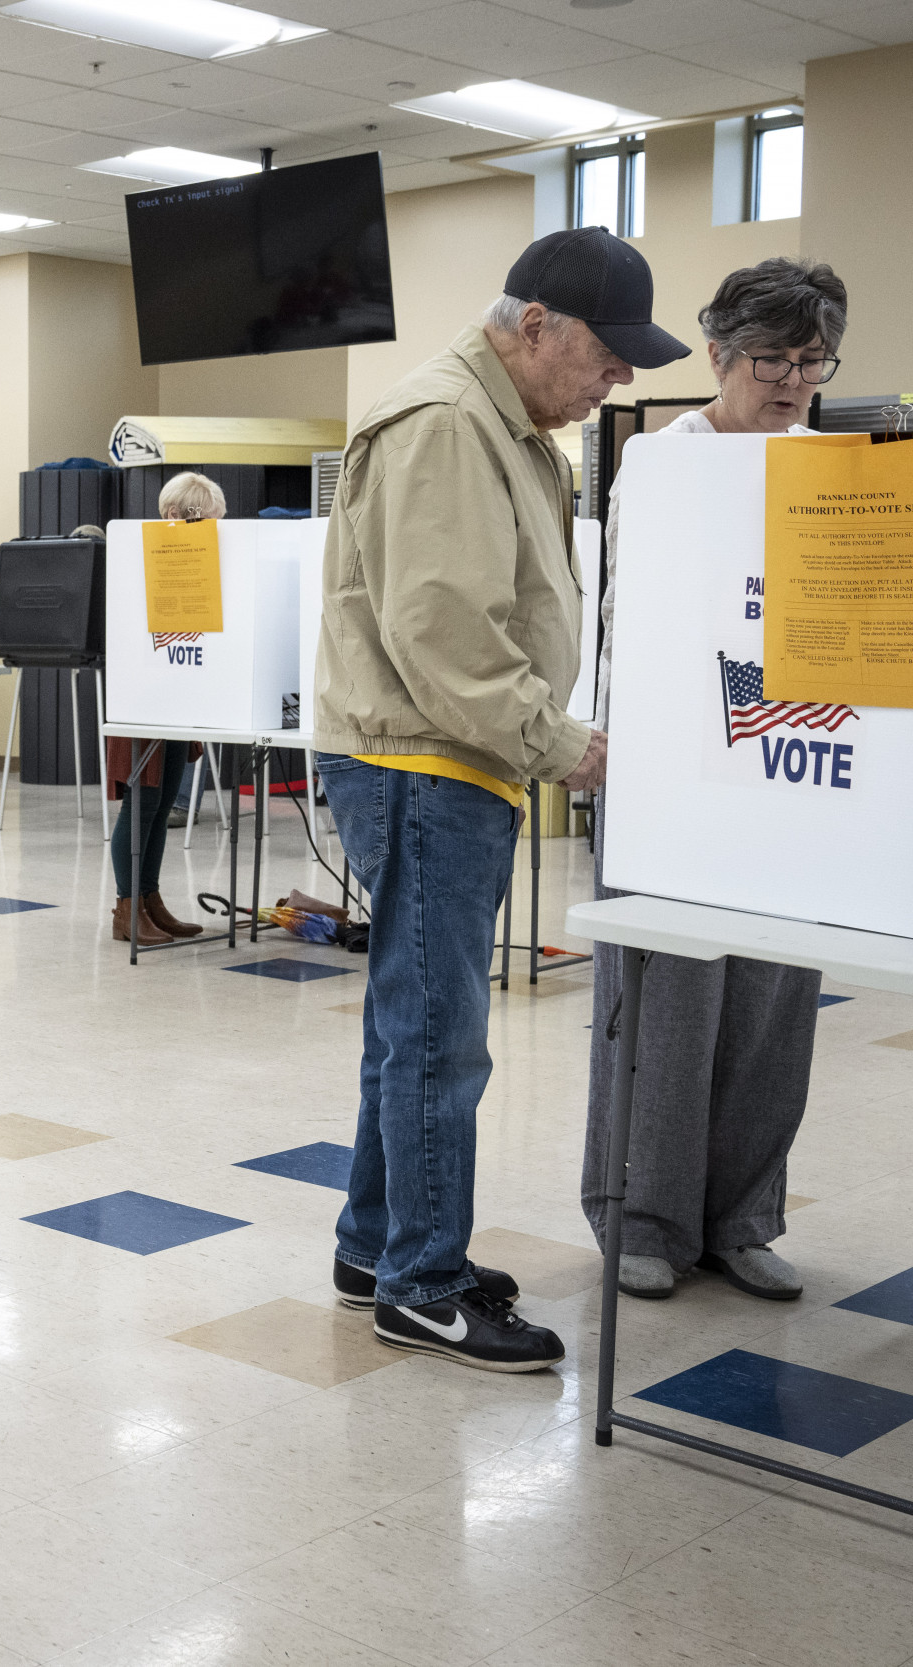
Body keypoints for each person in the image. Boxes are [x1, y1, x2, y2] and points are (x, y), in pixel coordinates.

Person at [312, 227, 689, 1372]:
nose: (617, 378)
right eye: (606, 356)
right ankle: (421, 1287)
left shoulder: (509, 424)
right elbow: (445, 635)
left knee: (409, 1026)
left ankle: (377, 1245)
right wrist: (561, 742)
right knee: (439, 1040)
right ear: (536, 326)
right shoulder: (445, 424)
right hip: (427, 760)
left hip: (445, 758)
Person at [581, 258, 851, 1302]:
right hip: (671, 761)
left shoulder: (828, 468)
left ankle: (740, 1214)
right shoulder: (660, 461)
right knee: (667, 998)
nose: (789, 380)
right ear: (719, 356)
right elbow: (627, 619)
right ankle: (642, 1215)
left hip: (793, 760)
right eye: (769, 358)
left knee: (773, 999)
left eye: (809, 359)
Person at [105, 473, 221, 948]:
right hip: (143, 695)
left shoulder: (195, 562)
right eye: (209, 520)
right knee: (142, 803)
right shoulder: (140, 554)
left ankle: (150, 901)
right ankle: (126, 909)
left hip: (177, 692)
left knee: (165, 796)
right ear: (179, 516)